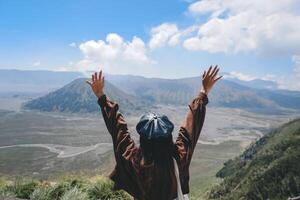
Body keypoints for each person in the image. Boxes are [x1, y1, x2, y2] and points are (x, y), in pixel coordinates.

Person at [86, 66, 222, 200]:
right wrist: (203, 91)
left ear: (143, 139)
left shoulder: (133, 160)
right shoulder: (179, 157)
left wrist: (101, 96)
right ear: (168, 137)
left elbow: (118, 128)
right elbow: (189, 130)